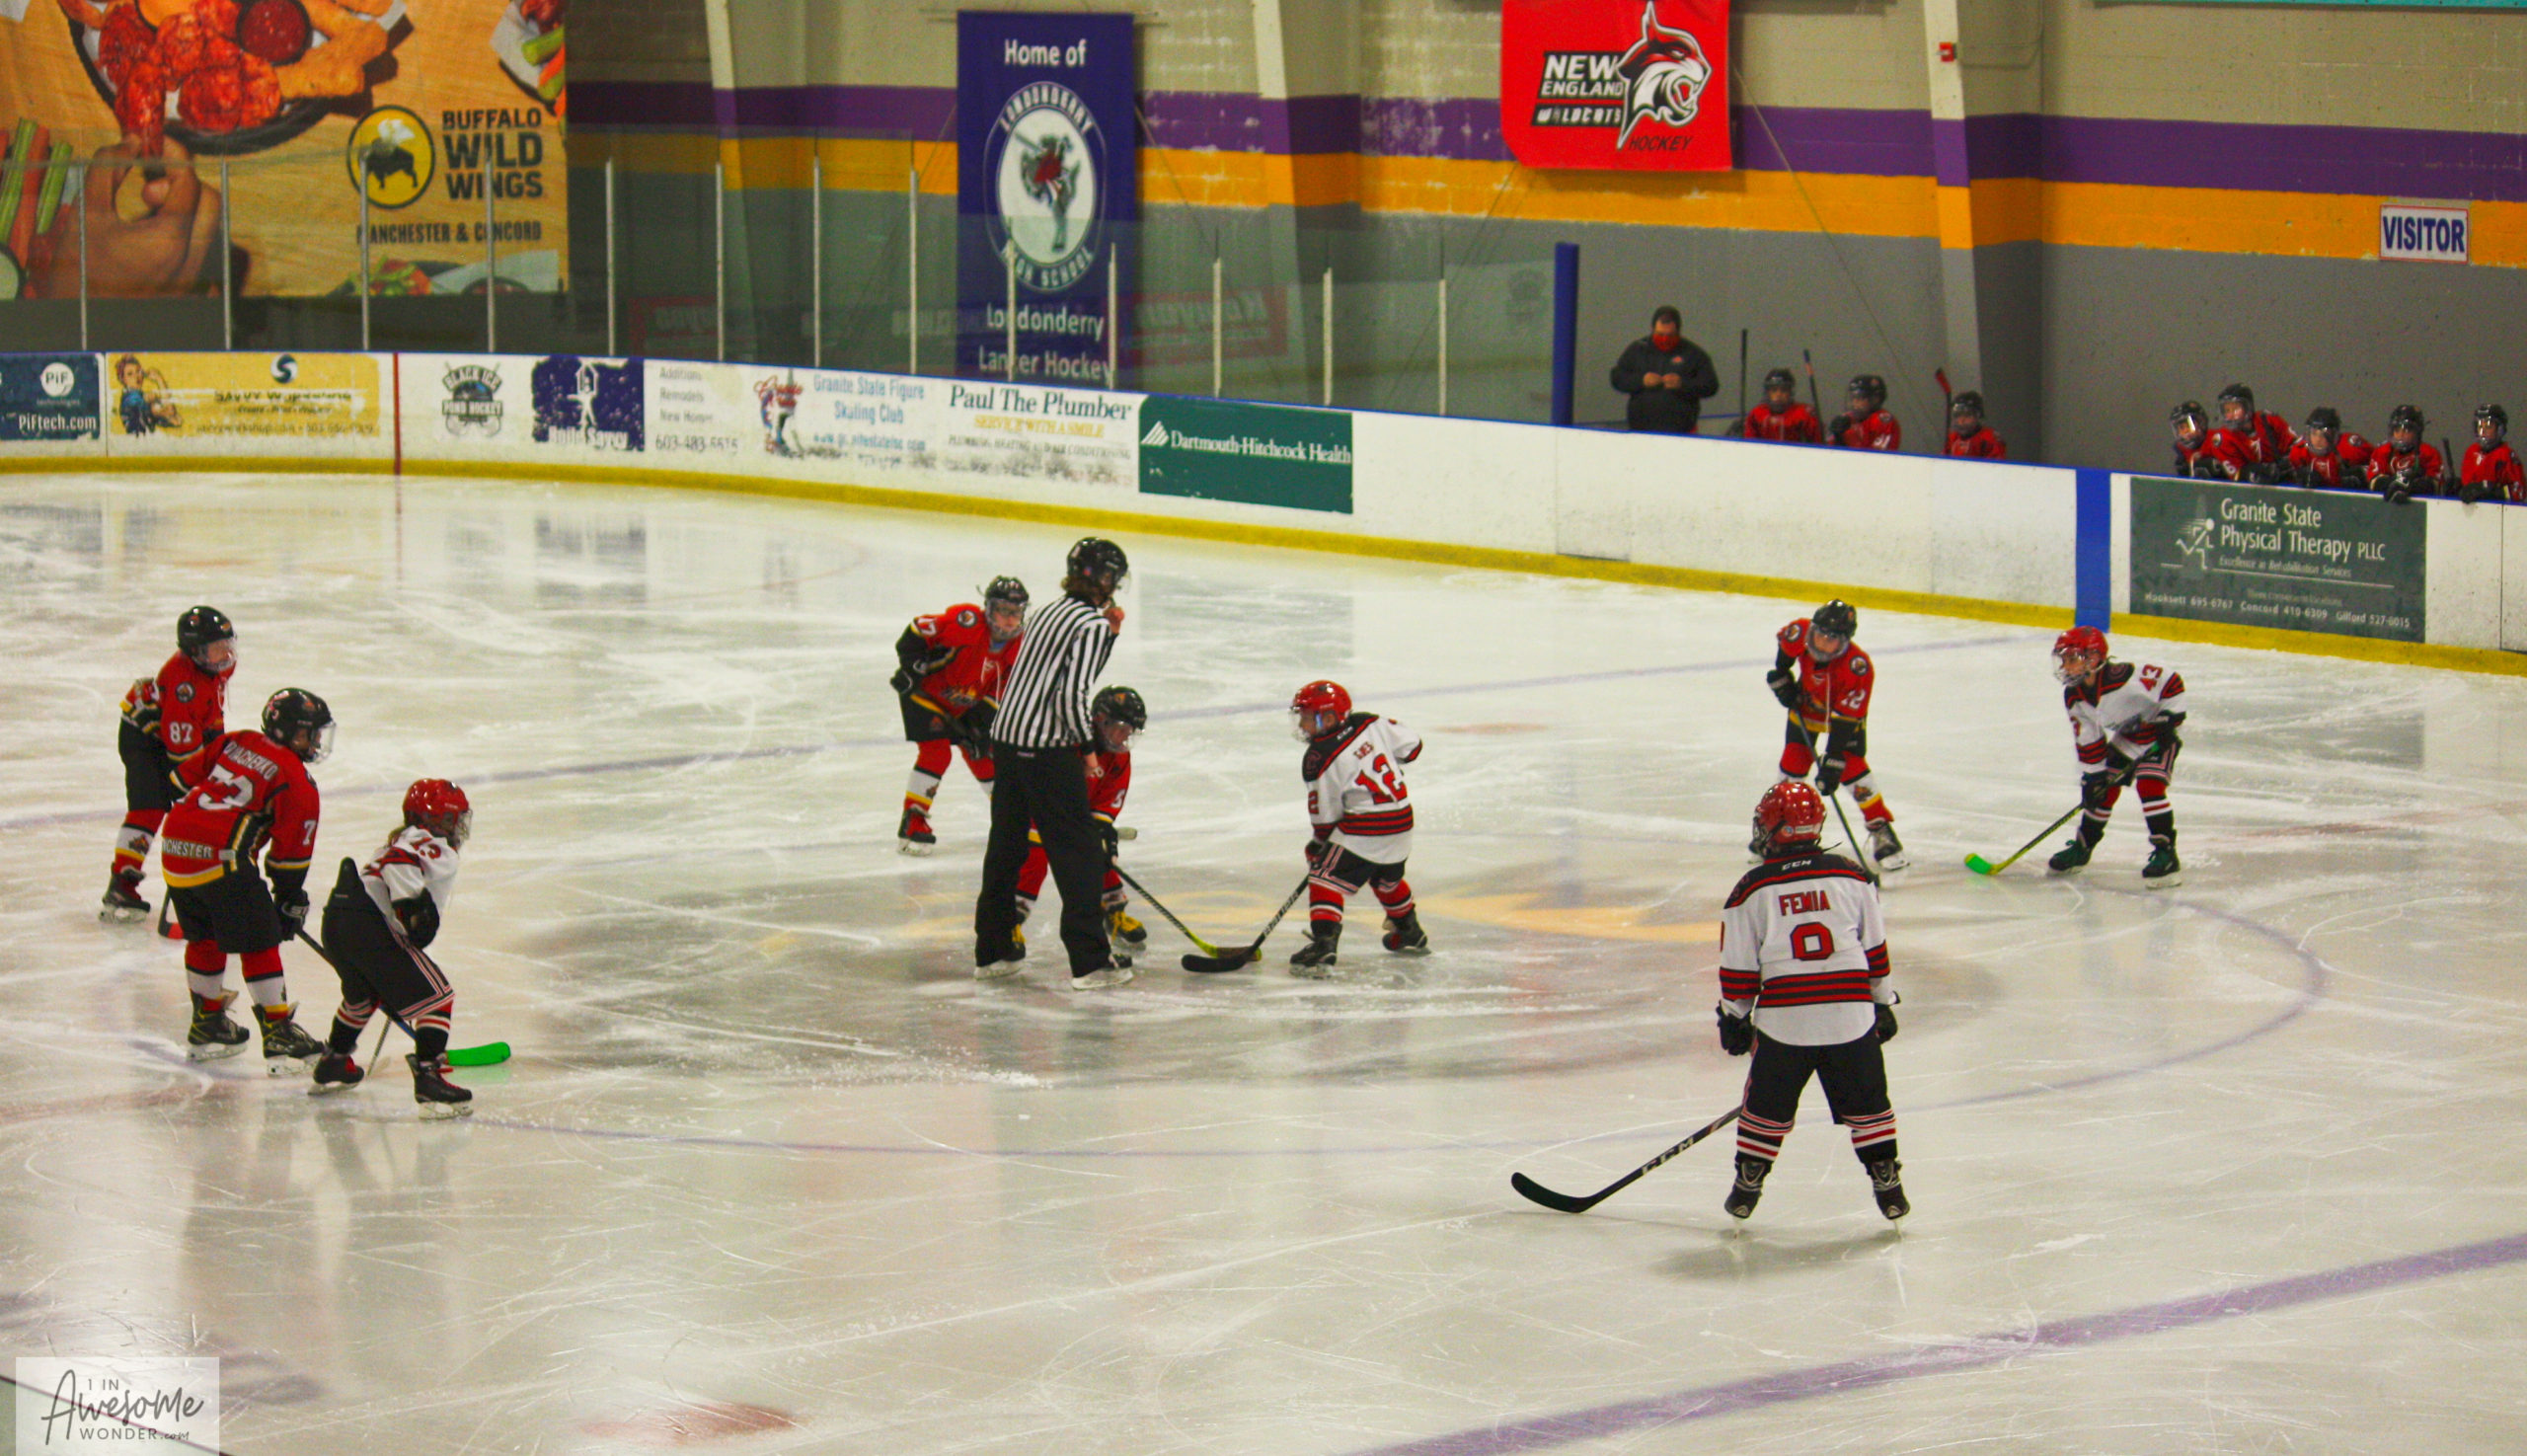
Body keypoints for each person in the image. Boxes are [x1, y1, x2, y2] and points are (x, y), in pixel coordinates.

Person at [1716, 781, 1906, 1224]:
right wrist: (1882, 1002)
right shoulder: (1852, 875)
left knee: (1766, 1106)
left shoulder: (1750, 888)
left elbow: (1738, 970)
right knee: (1869, 1103)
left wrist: (1734, 1018)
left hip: (1785, 1024)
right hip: (1851, 1017)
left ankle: (1748, 1181)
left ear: (1774, 827)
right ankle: (1887, 1180)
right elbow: (1875, 950)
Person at [974, 539, 1132, 989]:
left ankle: (992, 952)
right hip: (1047, 750)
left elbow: (1052, 675)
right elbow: (1071, 693)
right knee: (1078, 855)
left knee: (1006, 848)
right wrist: (1087, 750)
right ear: (1104, 579)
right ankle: (1091, 963)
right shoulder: (1089, 623)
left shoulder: (1047, 611)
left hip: (1007, 742)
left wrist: (1111, 635)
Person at [160, 688, 334, 1067]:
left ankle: (208, 1024)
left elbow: (178, 781)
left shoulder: (238, 740)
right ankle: (278, 1032)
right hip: (221, 857)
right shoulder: (296, 779)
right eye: (309, 733)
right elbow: (290, 857)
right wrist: (289, 900)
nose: (316, 742)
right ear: (288, 731)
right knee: (260, 942)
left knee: (205, 937)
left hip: (174, 848)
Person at [311, 781, 475, 1118]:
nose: (455, 827)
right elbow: (399, 864)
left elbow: (392, 861)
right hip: (369, 925)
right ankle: (429, 1078)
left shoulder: (398, 839)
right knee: (438, 998)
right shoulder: (430, 844)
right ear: (430, 820)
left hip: (338, 918)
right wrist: (410, 905)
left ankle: (334, 1061)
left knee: (363, 995)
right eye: (450, 819)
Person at [103, 604, 237, 922]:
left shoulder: (215, 667)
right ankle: (122, 883)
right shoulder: (181, 686)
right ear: (194, 652)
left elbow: (209, 710)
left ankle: (209, 880)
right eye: (215, 648)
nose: (225, 654)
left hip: (183, 729)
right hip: (144, 739)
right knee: (149, 808)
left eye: (226, 645)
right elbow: (183, 758)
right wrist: (196, 786)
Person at [1288, 679, 1427, 976]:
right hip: (1401, 819)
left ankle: (1324, 945)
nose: (1301, 724)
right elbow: (1413, 748)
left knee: (1325, 877)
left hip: (1367, 825)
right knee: (1385, 878)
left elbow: (1325, 816)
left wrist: (1319, 846)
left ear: (1328, 718)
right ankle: (1410, 931)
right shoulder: (1369, 722)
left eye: (1307, 717)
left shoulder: (1319, 757)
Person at [1764, 600, 1907, 871]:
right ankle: (1774, 831)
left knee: (1852, 769)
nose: (1821, 642)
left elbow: (1847, 718)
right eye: (1819, 633)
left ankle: (1880, 828)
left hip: (1844, 721)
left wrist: (1834, 757)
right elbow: (1785, 653)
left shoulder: (1857, 667)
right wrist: (1782, 677)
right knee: (1792, 766)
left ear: (1845, 640)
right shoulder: (1799, 632)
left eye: (1831, 638)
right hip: (1807, 709)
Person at [892, 576, 1028, 854]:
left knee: (983, 754)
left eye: (1015, 612)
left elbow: (1003, 688)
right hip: (925, 695)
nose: (1009, 619)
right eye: (1003, 610)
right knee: (937, 753)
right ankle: (913, 820)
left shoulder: (1020, 645)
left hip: (965, 704)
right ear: (989, 608)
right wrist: (911, 666)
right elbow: (916, 630)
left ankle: (1009, 817)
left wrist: (981, 722)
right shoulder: (966, 622)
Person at [2046, 627, 2186, 886]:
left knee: (2150, 786)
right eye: (2063, 659)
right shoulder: (2075, 695)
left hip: (2158, 737)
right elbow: (2088, 736)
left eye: (2072, 658)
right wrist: (2093, 775)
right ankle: (2082, 848)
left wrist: (2170, 718)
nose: (2066, 666)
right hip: (2129, 738)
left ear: (2094, 658)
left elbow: (2171, 683)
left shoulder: (2126, 677)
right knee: (2102, 791)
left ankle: (2166, 855)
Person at [1014, 687, 1146, 956]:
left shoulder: (1119, 756)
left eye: (1130, 731)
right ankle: (1008, 921)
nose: (1125, 737)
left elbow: (1108, 798)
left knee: (1099, 850)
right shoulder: (1067, 744)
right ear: (1100, 720)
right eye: (1121, 729)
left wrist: (1100, 828)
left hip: (1075, 815)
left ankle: (1113, 910)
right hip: (1036, 809)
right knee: (1035, 856)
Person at [1608, 305, 1719, 435]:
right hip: (1640, 431)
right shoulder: (1637, 349)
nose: (1665, 339)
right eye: (1660, 334)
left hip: (1681, 432)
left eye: (1670, 335)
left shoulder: (1693, 353)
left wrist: (1683, 384)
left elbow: (1710, 386)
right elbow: (1617, 377)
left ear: (1678, 331)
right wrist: (1641, 381)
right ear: (1652, 329)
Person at [2211, 383, 2292, 483]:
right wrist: (2252, 473)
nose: (2231, 415)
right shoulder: (2222, 439)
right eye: (2227, 410)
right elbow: (2236, 473)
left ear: (2248, 408)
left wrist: (2288, 464)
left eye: (2236, 409)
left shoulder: (2269, 420)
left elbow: (2295, 445)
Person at [2365, 405, 2447, 503]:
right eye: (2397, 430)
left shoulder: (2429, 453)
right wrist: (2394, 484)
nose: (2401, 434)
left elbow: (2435, 486)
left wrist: (2411, 487)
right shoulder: (2382, 451)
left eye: (2407, 430)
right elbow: (2374, 482)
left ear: (2417, 432)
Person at [1729, 368, 1823, 443]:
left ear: (1790, 392)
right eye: (1774, 390)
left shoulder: (1803, 414)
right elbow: (1750, 444)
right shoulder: (1757, 414)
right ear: (1767, 393)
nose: (1778, 394)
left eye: (1783, 390)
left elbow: (1819, 442)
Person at [2286, 407, 2370, 490]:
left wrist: (2361, 474)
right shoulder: (2300, 450)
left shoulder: (2350, 448)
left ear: (2334, 433)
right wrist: (2300, 476)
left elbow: (2374, 463)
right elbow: (2290, 476)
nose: (2318, 439)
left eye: (2324, 434)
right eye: (2314, 433)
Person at [2458, 405, 2524, 505]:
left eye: (2488, 426)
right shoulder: (2471, 452)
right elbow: (2468, 486)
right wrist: (2458, 487)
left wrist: (2495, 492)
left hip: (2498, 512)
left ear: (2499, 429)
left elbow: (2519, 492)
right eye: (2480, 426)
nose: (2483, 431)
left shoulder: (2506, 455)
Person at [2169, 401, 2243, 480]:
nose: (2186, 431)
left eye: (2190, 425)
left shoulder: (2217, 440)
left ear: (2201, 423)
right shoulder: (2182, 451)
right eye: (2182, 428)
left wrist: (2220, 470)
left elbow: (2237, 473)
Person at [1828, 376, 1900, 451]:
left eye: (1860, 397)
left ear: (1875, 399)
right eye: (1852, 397)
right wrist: (1837, 437)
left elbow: (1877, 454)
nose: (1854, 402)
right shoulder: (1846, 419)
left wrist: (1850, 440)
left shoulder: (1883, 421)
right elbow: (1829, 450)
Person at [1943, 391, 2006, 459]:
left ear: (1978, 416)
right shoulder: (1952, 439)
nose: (1961, 421)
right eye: (1958, 415)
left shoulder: (1989, 439)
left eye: (1967, 415)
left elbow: (1996, 463)